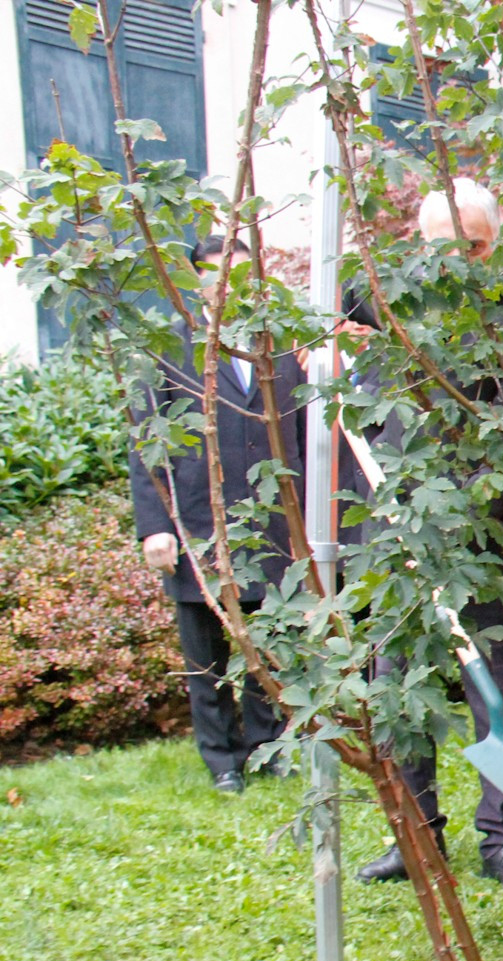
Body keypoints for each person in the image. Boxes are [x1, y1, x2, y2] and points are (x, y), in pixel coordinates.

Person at [356, 178, 503, 888]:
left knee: (496, 694)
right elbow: (366, 402)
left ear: (494, 246)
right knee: (399, 690)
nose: (460, 262)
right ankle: (415, 839)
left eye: (475, 246)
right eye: (444, 248)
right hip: (401, 543)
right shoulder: (391, 312)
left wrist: (465, 510)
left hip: (492, 545)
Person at [129, 235, 304, 794]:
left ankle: (264, 745)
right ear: (195, 281)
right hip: (198, 526)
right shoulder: (165, 349)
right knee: (205, 651)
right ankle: (221, 758)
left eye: (243, 273)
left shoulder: (282, 348)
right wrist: (155, 524)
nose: (230, 286)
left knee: (269, 642)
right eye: (215, 274)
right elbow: (144, 445)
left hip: (273, 524)